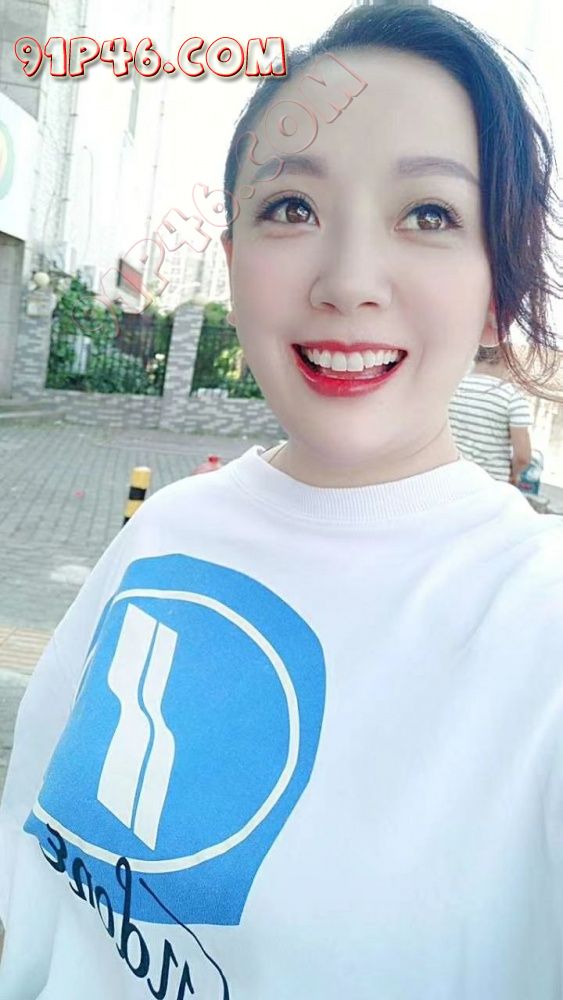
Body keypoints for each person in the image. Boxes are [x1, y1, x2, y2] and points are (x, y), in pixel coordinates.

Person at [1, 5, 563, 998]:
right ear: (232, 265)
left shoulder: (535, 619)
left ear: (495, 292)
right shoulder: (166, 532)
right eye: (291, 208)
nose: (348, 281)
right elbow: (31, 866)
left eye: (429, 215)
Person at [449, 343, 533, 483]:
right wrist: (514, 474)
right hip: (489, 483)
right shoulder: (512, 397)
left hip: (450, 476)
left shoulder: (453, 386)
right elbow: (523, 457)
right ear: (506, 359)